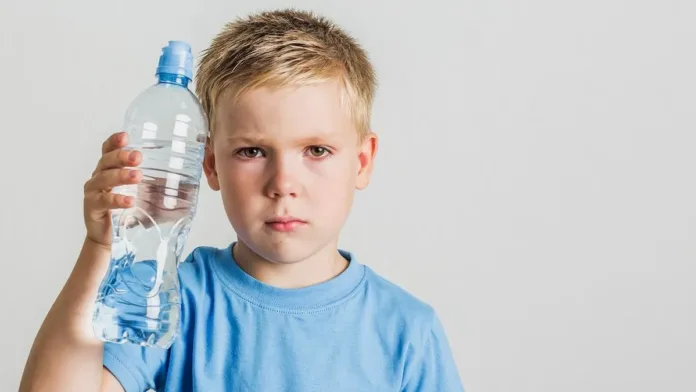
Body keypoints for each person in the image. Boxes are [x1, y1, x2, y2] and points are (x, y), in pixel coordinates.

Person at [19, 8, 464, 392]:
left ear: (362, 162)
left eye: (316, 150)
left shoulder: (407, 331)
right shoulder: (180, 297)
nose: (283, 183)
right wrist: (100, 248)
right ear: (209, 165)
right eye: (252, 152)